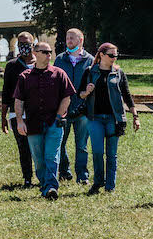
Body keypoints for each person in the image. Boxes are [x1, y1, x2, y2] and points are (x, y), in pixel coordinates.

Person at [13, 41, 73, 199]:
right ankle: (45, 185)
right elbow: (19, 101)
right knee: (39, 160)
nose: (49, 55)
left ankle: (51, 188)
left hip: (54, 123)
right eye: (45, 52)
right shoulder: (24, 77)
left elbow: (67, 98)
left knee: (51, 156)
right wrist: (20, 121)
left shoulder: (59, 73)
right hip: (33, 124)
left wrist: (59, 116)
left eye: (50, 52)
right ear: (35, 53)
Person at [80, 42, 138, 194]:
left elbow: (127, 95)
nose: (114, 58)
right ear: (101, 55)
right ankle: (98, 182)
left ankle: (110, 186)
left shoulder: (119, 73)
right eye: (111, 55)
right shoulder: (90, 72)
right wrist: (86, 92)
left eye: (116, 55)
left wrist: (135, 116)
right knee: (98, 152)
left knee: (112, 154)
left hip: (114, 118)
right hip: (95, 118)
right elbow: (79, 94)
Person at [55, 28, 95, 184]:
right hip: (63, 109)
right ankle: (64, 172)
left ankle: (82, 176)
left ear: (81, 39)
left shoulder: (90, 60)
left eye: (72, 38)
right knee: (60, 143)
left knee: (82, 145)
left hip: (83, 110)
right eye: (67, 38)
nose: (69, 40)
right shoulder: (59, 59)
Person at [0, 32, 37, 187]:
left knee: (39, 148)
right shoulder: (12, 66)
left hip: (37, 112)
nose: (23, 46)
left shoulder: (41, 63)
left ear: (33, 45)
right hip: (17, 114)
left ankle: (44, 176)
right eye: (20, 44)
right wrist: (3, 117)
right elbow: (6, 92)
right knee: (23, 148)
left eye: (26, 43)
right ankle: (27, 177)